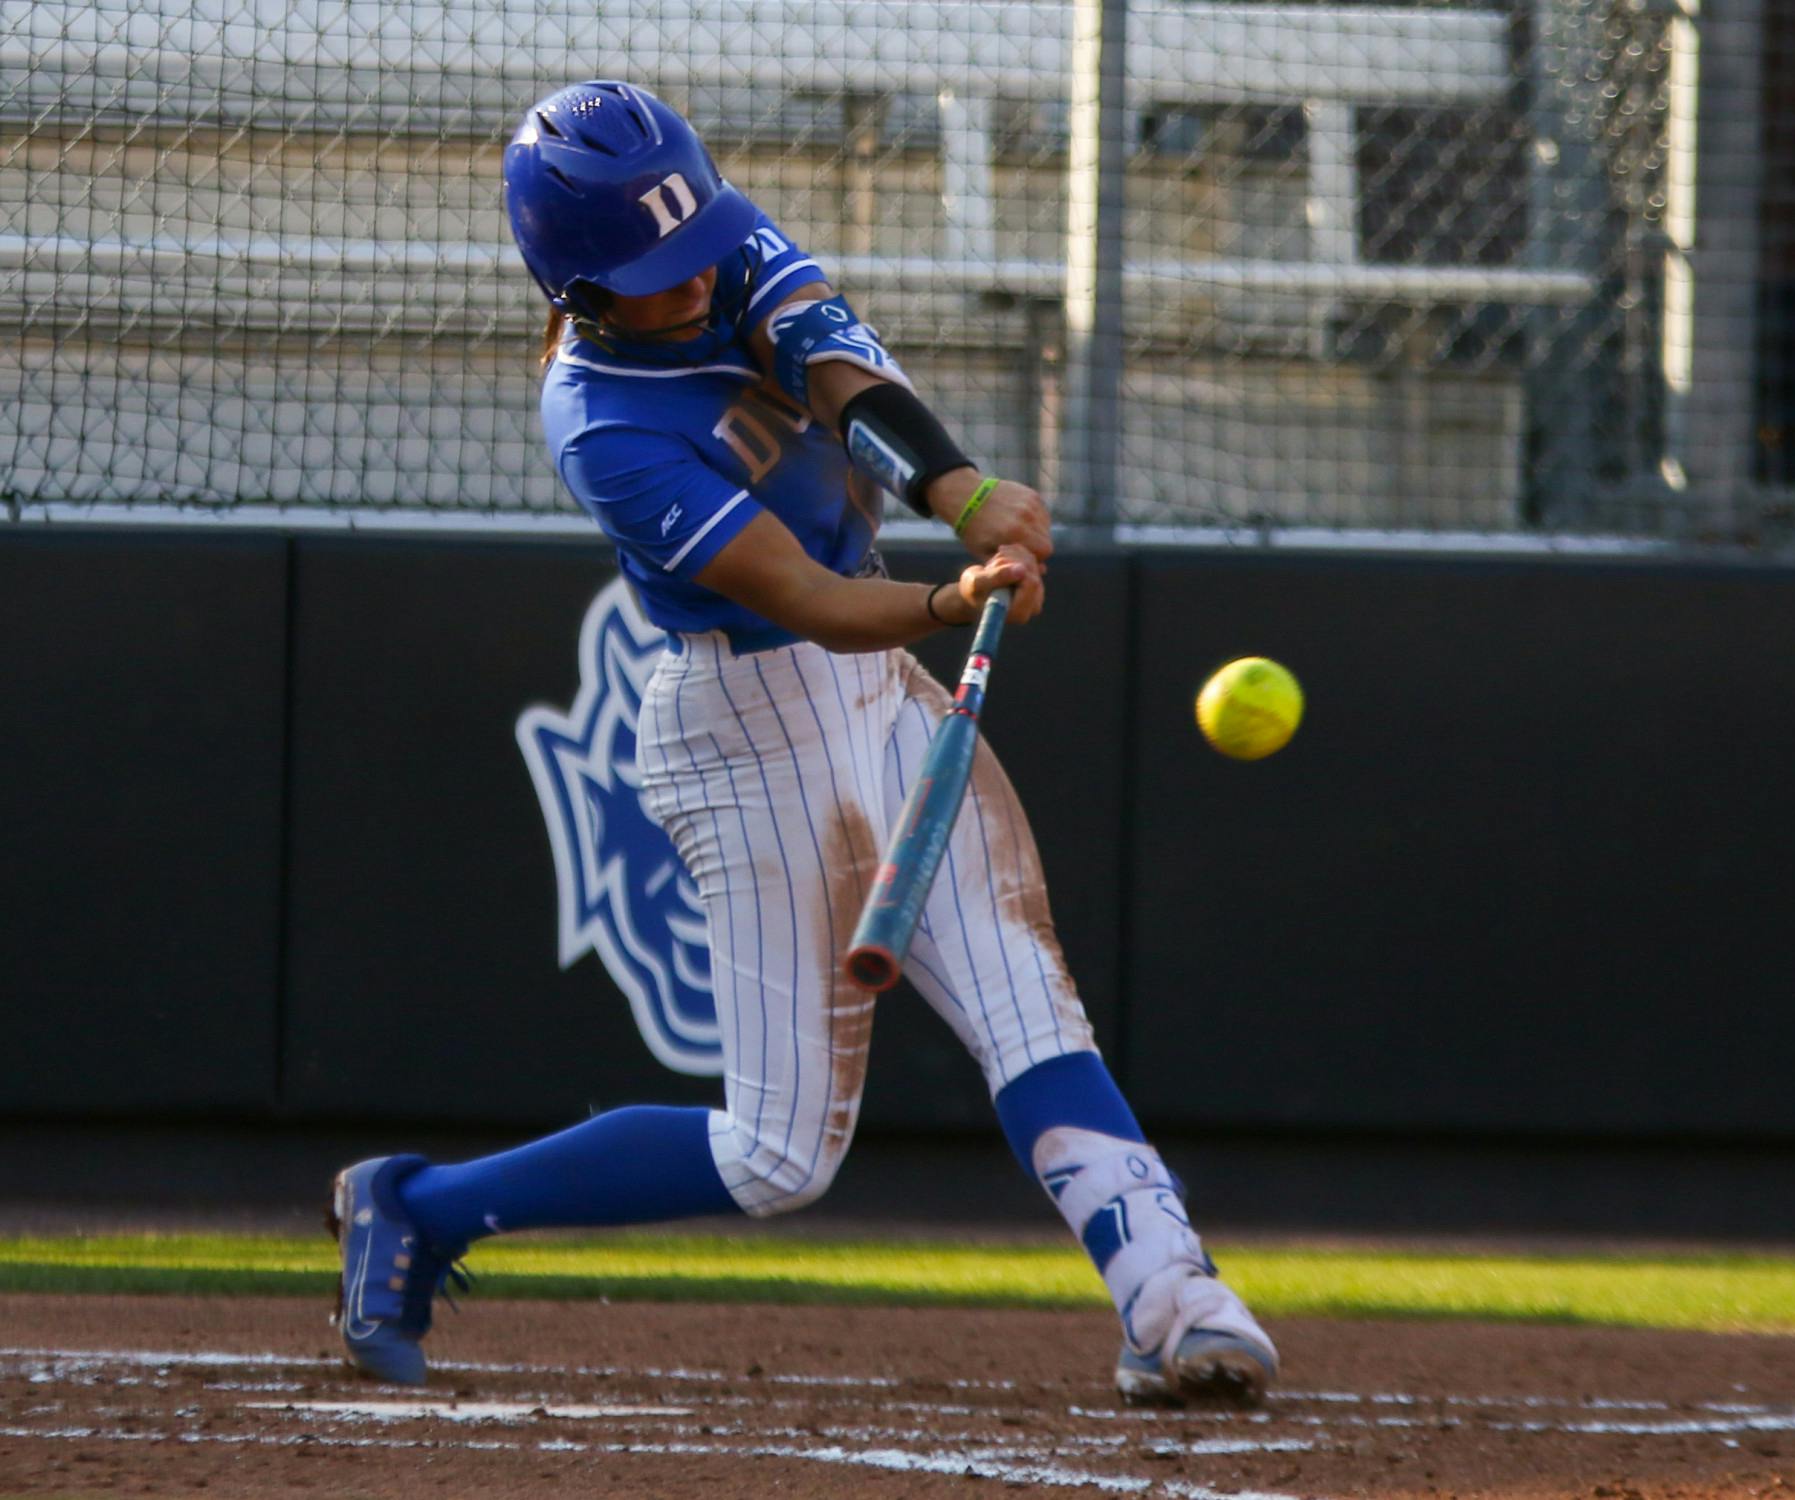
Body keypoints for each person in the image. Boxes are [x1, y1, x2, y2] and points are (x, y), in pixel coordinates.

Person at [328, 78, 1278, 1406]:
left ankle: (1175, 1297)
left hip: (875, 696)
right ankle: (420, 1204)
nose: (697, 276)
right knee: (781, 1155)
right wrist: (956, 598)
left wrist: (967, 494)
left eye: (698, 242)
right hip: (747, 730)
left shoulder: (713, 236)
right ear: (582, 287)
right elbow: (812, 600)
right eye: (657, 275)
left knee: (1025, 1000)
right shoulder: (604, 424)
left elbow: (843, 379)